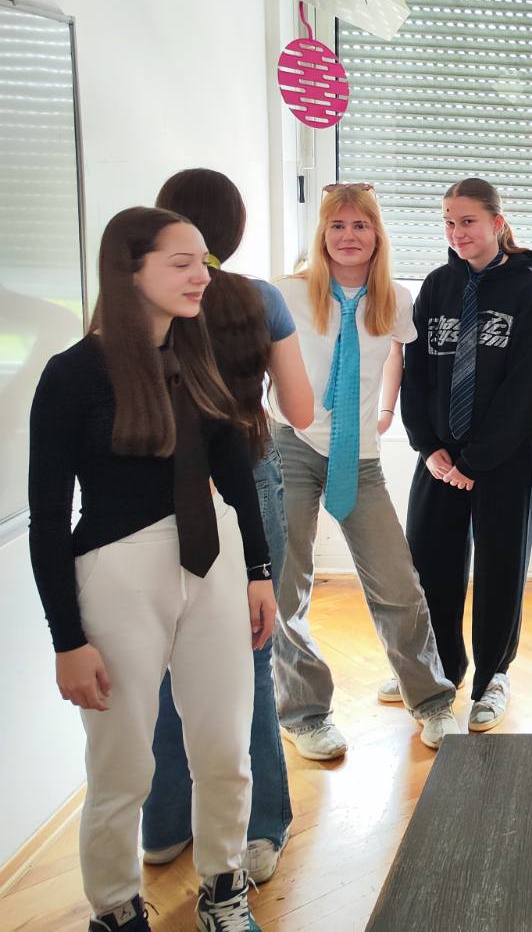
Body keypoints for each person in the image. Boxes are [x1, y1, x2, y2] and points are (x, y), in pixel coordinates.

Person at [29, 207, 275, 932]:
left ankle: (223, 887)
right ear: (130, 270)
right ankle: (114, 908)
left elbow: (236, 472)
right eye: (181, 263)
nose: (202, 276)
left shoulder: (197, 355)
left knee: (226, 747)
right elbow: (49, 517)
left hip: (214, 563)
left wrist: (258, 569)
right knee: (123, 766)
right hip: (119, 573)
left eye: (204, 263)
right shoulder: (72, 375)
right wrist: (67, 641)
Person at [140, 170, 314, 885]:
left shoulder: (142, 295)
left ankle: (164, 824)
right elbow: (300, 409)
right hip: (249, 480)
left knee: (160, 653)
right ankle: (261, 826)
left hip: (156, 494)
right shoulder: (259, 298)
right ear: (235, 230)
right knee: (250, 654)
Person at [270, 183, 460, 760]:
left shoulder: (394, 299)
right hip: (292, 445)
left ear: (378, 234)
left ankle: (432, 702)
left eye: (360, 225)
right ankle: (304, 713)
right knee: (285, 585)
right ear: (321, 234)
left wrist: (385, 410)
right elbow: (257, 362)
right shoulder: (287, 293)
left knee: (398, 583)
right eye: (337, 226)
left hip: (359, 455)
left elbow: (397, 353)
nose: (348, 236)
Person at [399, 178, 532, 732]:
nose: (456, 232)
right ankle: (440, 669)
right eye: (448, 221)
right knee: (429, 562)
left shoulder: (529, 292)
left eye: (467, 220)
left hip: (504, 457)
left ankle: (493, 676)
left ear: (496, 222)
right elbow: (415, 374)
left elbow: (523, 386)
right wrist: (428, 447)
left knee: (499, 568)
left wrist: (476, 460)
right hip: (440, 457)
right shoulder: (436, 285)